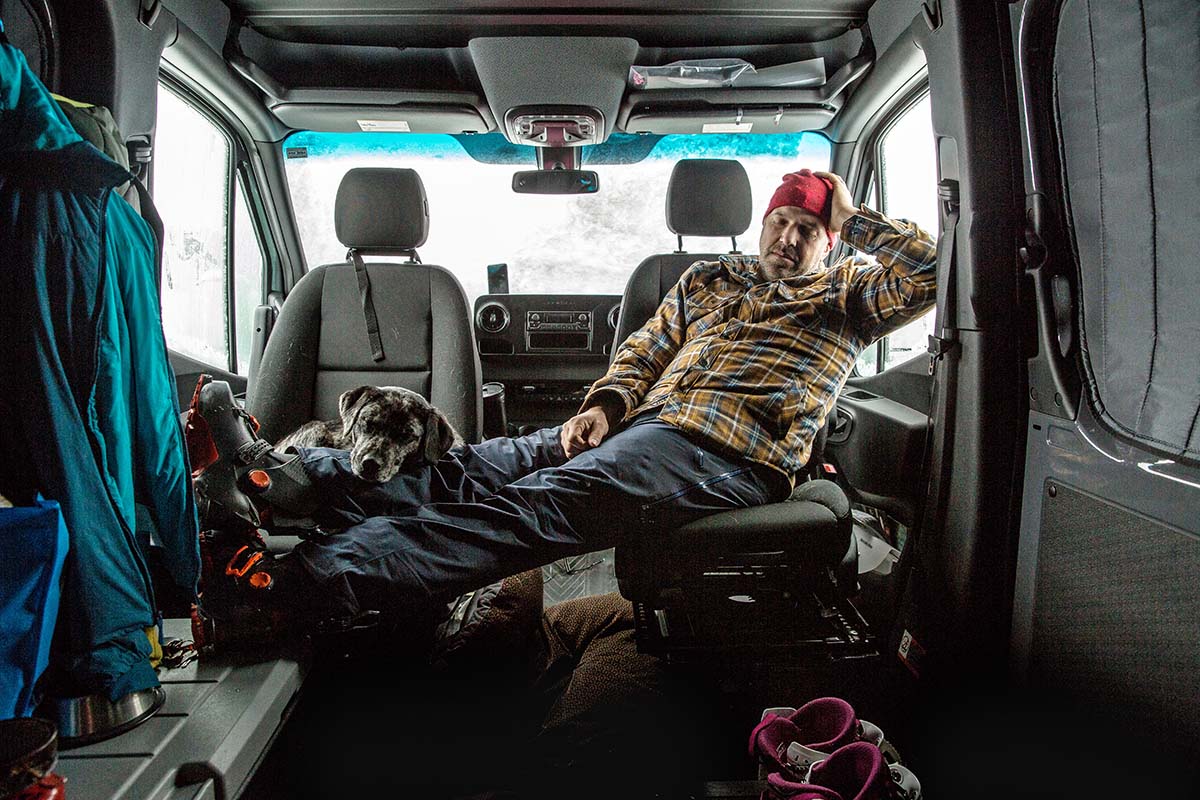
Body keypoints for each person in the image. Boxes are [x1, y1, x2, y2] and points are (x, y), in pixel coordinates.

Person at [196, 168, 937, 646]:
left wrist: (854, 213)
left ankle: (296, 584)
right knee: (472, 465)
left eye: (808, 229)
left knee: (529, 504)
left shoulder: (848, 299)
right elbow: (646, 351)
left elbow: (932, 272)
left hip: (727, 454)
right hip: (643, 431)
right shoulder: (713, 279)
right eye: (781, 220)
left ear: (831, 242)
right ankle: (296, 481)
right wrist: (604, 406)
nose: (788, 236)